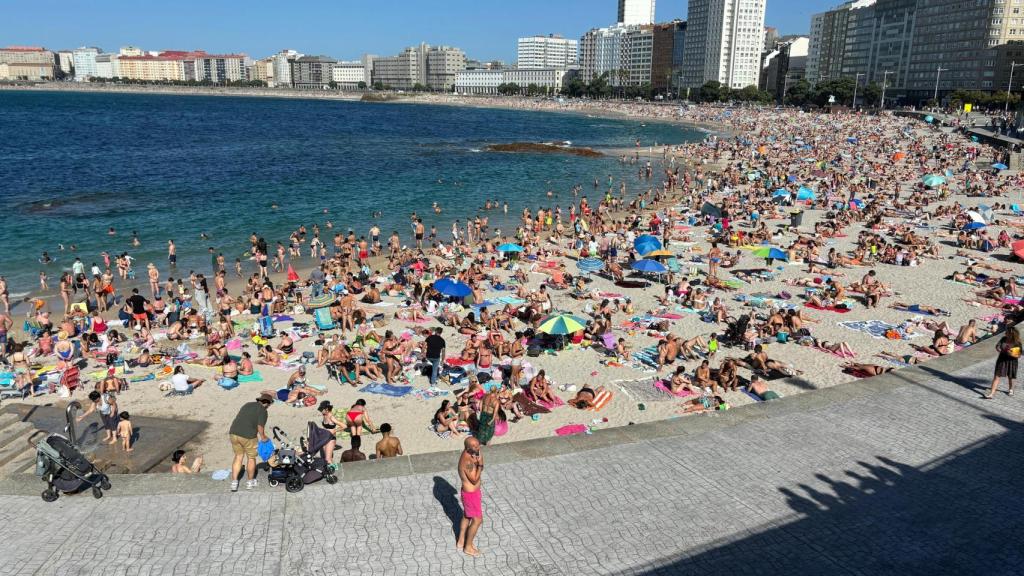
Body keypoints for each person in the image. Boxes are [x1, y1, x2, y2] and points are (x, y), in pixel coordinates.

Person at [228, 393, 271, 491]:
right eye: (269, 404)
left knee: (238, 456)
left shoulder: (247, 404)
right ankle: (250, 482)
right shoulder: (263, 411)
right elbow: (260, 426)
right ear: (266, 403)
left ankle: (234, 483)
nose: (269, 406)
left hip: (233, 432)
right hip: (248, 436)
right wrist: (263, 437)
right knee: (251, 458)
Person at [456, 437, 484, 557]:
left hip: (470, 493)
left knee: (467, 516)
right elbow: (474, 479)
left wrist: (478, 461)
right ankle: (468, 547)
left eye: (478, 445)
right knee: (477, 520)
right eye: (474, 446)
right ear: (467, 448)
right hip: (471, 495)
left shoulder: (472, 453)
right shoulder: (467, 461)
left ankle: (461, 541)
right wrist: (480, 464)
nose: (478, 448)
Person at [985, 326, 1019, 399]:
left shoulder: (1017, 342)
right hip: (1001, 360)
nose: (1005, 333)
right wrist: (999, 350)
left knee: (1010, 377)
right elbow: (997, 346)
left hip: (1011, 361)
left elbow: (1018, 355)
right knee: (997, 376)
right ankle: (991, 393)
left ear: (1011, 334)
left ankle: (1011, 389)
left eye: (1007, 332)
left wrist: (1010, 353)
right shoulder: (1003, 339)